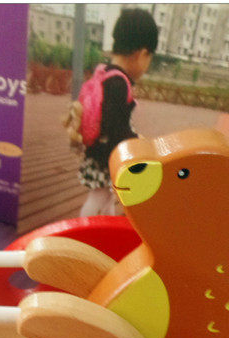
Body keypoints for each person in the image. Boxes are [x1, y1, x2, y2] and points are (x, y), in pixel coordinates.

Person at [75, 8, 158, 217]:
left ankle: (105, 226)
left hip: (98, 151)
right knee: (98, 199)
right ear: (142, 54)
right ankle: (84, 231)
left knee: (105, 198)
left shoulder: (105, 71)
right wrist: (136, 141)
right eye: (149, 59)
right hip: (105, 157)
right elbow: (115, 127)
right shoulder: (118, 83)